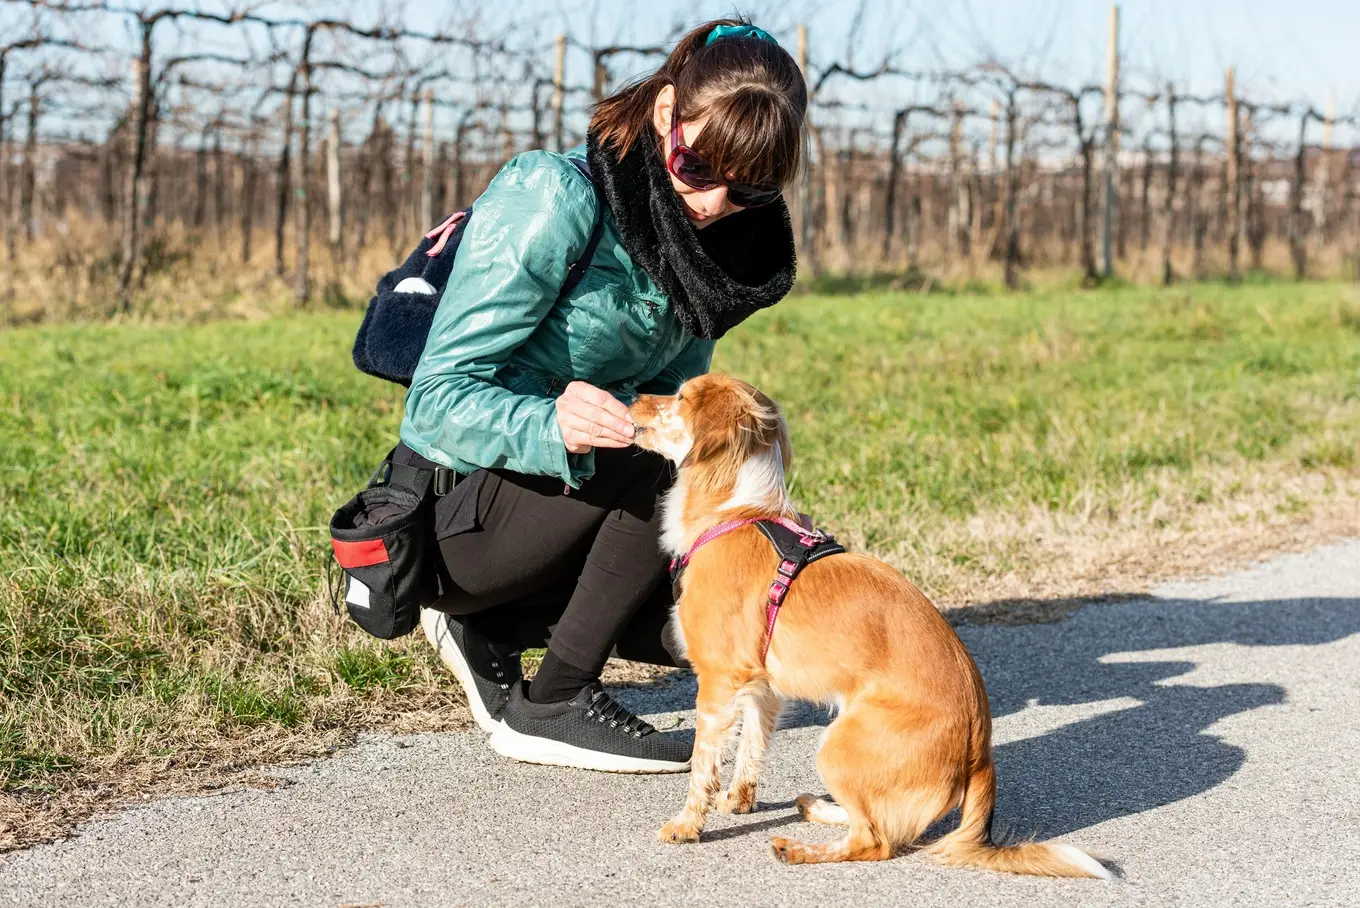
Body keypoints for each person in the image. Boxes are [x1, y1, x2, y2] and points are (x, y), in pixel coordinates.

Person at [396, 18, 807, 773]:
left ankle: (490, 628)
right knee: (660, 462)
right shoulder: (554, 198)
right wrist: (549, 422)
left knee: (713, 614)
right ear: (663, 116)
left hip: (575, 498)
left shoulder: (704, 245)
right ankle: (552, 703)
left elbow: (668, 398)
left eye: (746, 187)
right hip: (459, 515)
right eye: (696, 165)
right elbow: (432, 403)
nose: (715, 202)